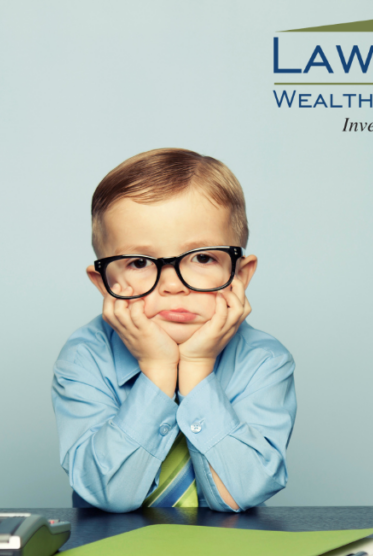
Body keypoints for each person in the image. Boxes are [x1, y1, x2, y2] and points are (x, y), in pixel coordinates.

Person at [51, 148, 296, 512]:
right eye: (138, 262)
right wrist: (158, 371)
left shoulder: (264, 360)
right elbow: (108, 495)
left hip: (228, 555)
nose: (172, 286)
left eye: (202, 257)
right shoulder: (86, 356)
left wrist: (196, 369)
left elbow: (241, 494)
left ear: (240, 275)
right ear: (105, 283)